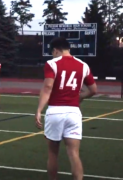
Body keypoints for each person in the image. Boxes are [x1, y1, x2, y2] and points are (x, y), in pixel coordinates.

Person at [35, 37, 97, 180]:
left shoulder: (52, 64)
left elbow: (48, 87)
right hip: (74, 112)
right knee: (74, 153)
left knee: (52, 153)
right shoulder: (83, 65)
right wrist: (81, 97)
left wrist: (39, 110)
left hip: (56, 111)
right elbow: (93, 90)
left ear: (56, 50)